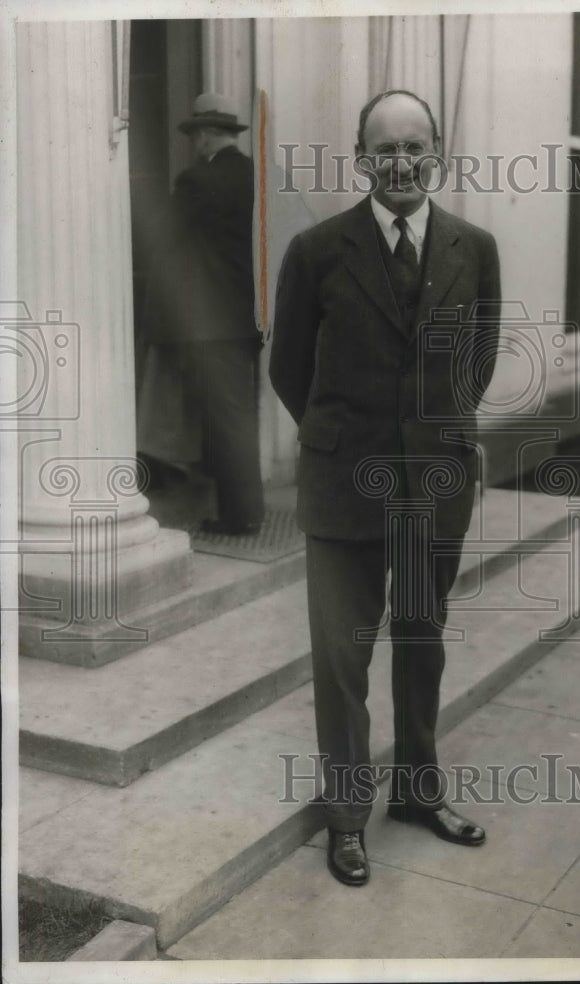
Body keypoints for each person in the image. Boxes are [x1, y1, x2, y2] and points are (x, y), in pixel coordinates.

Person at [270, 90, 501, 886]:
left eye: (416, 147)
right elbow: (287, 365)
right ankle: (346, 819)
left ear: (438, 149)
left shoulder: (475, 247)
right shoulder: (317, 251)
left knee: (422, 641)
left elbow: (479, 360)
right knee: (341, 658)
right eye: (384, 149)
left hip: (436, 483)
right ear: (361, 157)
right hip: (343, 486)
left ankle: (416, 793)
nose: (401, 163)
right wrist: (343, 441)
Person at [142, 92, 264, 536]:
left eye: (196, 135)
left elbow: (164, 237)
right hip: (246, 321)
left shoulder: (197, 182)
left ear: (209, 135)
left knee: (222, 420)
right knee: (238, 415)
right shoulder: (258, 177)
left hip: (210, 325)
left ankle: (239, 516)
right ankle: (245, 510)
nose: (195, 145)